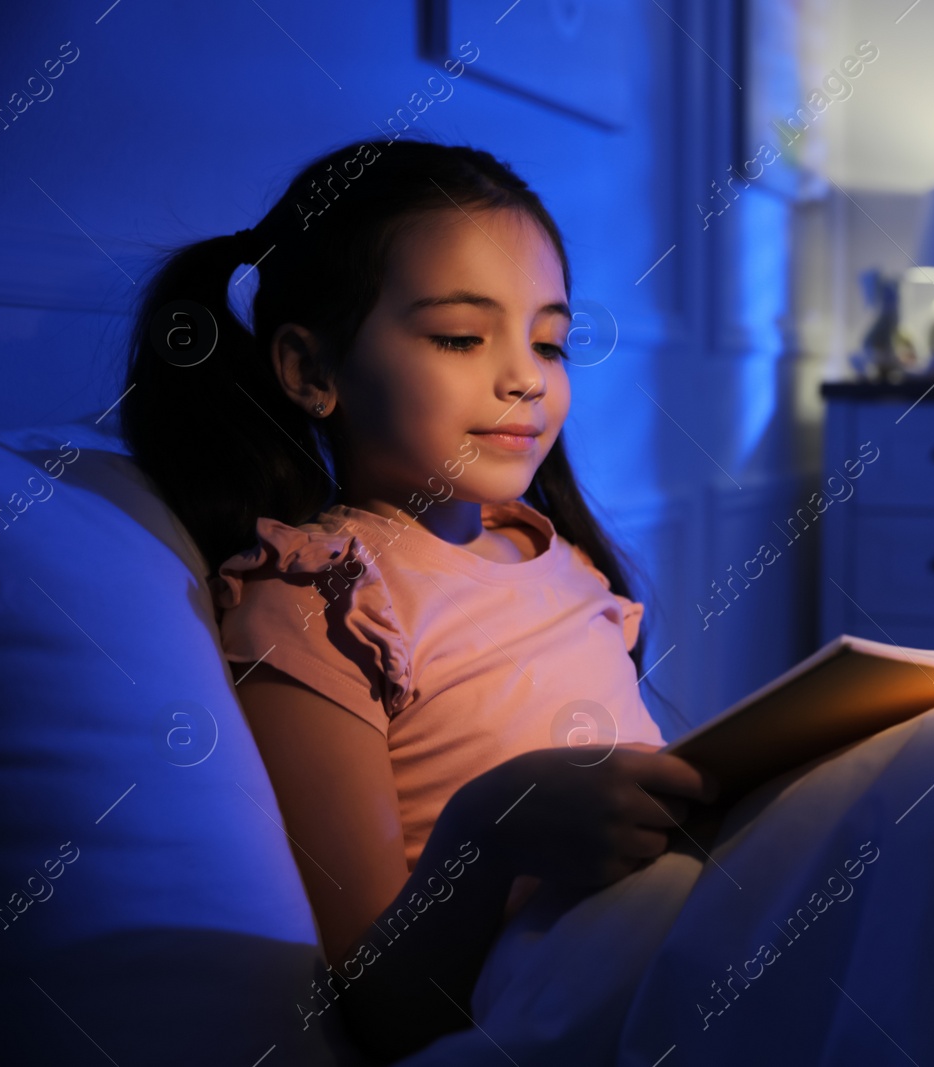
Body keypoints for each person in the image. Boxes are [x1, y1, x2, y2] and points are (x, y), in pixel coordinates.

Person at [118, 137, 716, 1062]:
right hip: (558, 993)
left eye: (549, 341)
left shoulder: (560, 559)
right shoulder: (322, 600)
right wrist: (491, 830)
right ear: (312, 372)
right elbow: (379, 1007)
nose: (525, 375)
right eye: (459, 337)